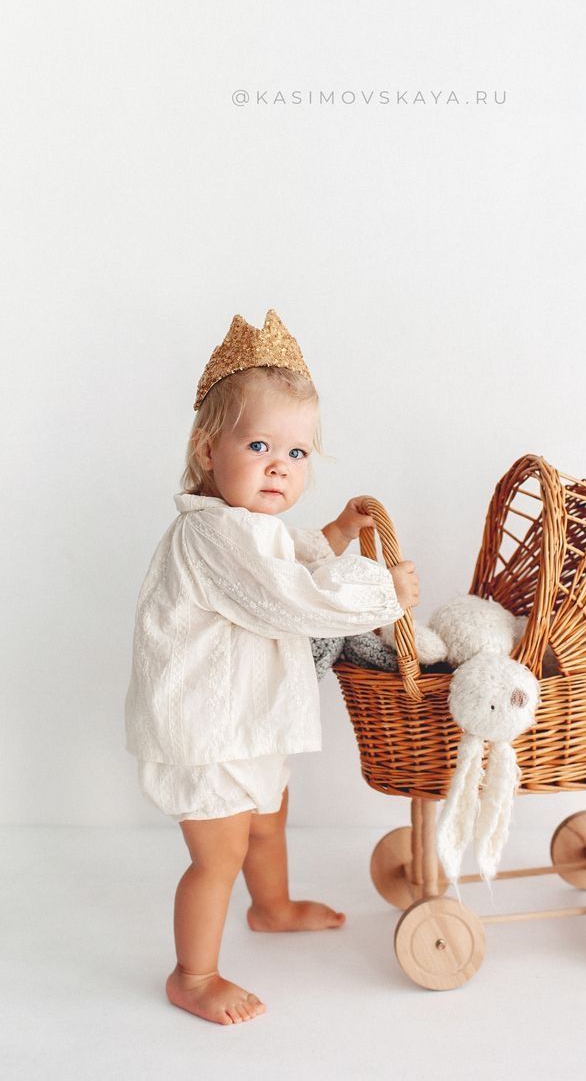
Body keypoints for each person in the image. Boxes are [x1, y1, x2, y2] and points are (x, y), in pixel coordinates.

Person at [124, 309, 420, 1025]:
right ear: (206, 451)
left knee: (268, 821)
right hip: (208, 730)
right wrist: (383, 592)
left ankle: (274, 906)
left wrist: (341, 533)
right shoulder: (211, 533)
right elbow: (289, 597)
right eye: (259, 445)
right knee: (218, 854)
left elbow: (284, 564)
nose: (280, 466)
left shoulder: (250, 531)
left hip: (248, 721)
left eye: (299, 452)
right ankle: (192, 974)